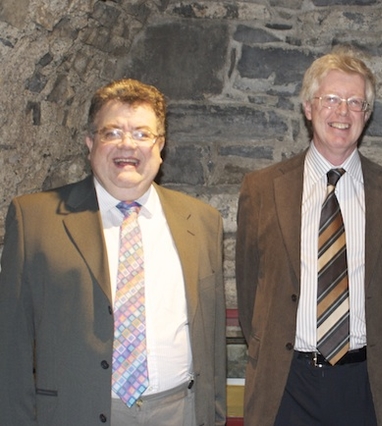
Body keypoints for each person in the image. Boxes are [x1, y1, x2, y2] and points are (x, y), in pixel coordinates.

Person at [0, 78, 226, 426]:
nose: (127, 145)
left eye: (141, 133)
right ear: (90, 143)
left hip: (180, 411)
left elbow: (212, 339)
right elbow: (10, 346)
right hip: (77, 413)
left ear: (160, 145)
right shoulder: (35, 220)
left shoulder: (202, 221)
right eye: (112, 132)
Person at [235, 46, 382, 426]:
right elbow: (250, 285)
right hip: (285, 383)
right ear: (308, 107)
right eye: (330, 99)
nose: (342, 112)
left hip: (361, 382)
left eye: (355, 102)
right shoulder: (262, 188)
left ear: (366, 115)